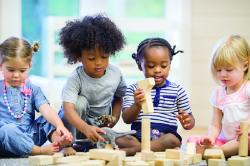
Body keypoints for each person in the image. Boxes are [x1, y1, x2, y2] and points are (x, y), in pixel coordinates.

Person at [59, 14, 127, 155]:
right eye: (91, 58)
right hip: (77, 125)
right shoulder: (75, 78)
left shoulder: (116, 74)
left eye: (104, 57)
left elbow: (119, 98)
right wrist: (85, 128)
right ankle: (69, 143)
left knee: (122, 142)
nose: (99, 63)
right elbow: (68, 110)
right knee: (80, 102)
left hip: (99, 124)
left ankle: (91, 142)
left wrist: (114, 118)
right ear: (79, 56)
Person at [116, 37, 195, 156]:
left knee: (173, 140)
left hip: (164, 136)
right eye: (151, 66)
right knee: (120, 139)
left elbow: (190, 120)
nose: (158, 70)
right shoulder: (133, 89)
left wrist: (188, 121)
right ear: (140, 65)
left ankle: (137, 149)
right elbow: (127, 119)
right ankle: (145, 148)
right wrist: (137, 104)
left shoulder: (178, 90)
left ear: (170, 64)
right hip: (139, 134)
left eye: (163, 66)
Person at [0, 37, 73, 157]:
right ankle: (38, 151)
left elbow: (46, 110)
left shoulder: (33, 89)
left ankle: (59, 142)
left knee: (48, 118)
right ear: (1, 66)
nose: (16, 75)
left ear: (29, 66)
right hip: (6, 140)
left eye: (22, 70)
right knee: (7, 129)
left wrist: (60, 125)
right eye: (11, 70)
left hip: (30, 135)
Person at [188, 35, 250, 158]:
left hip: (243, 139)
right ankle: (216, 150)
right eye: (218, 69)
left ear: (245, 65)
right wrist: (210, 137)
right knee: (193, 140)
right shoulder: (218, 94)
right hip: (225, 140)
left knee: (245, 142)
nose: (222, 74)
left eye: (229, 69)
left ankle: (216, 152)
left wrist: (247, 126)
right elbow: (215, 124)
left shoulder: (247, 89)